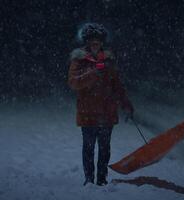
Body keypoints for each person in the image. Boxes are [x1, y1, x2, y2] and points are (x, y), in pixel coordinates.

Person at [68, 23, 134, 186]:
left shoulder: (109, 60)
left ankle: (102, 179)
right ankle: (89, 179)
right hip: (88, 112)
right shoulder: (79, 60)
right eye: (92, 40)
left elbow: (117, 86)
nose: (95, 43)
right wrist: (92, 74)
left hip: (107, 113)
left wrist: (126, 105)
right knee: (88, 149)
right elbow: (73, 82)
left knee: (105, 149)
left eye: (98, 40)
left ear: (102, 42)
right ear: (87, 42)